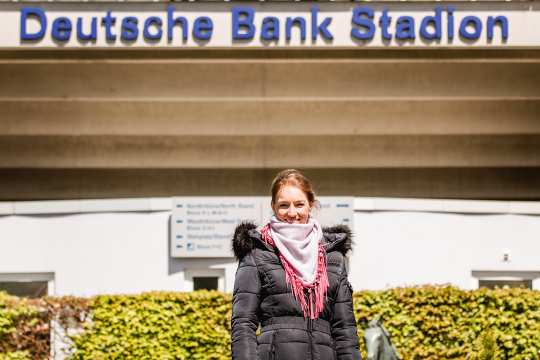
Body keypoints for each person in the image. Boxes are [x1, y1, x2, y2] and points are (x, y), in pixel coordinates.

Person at [231, 169, 361, 360]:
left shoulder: (333, 257)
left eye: (299, 204)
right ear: (274, 207)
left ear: (311, 205)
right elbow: (243, 324)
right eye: (284, 205)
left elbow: (345, 330)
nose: (292, 213)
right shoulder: (257, 253)